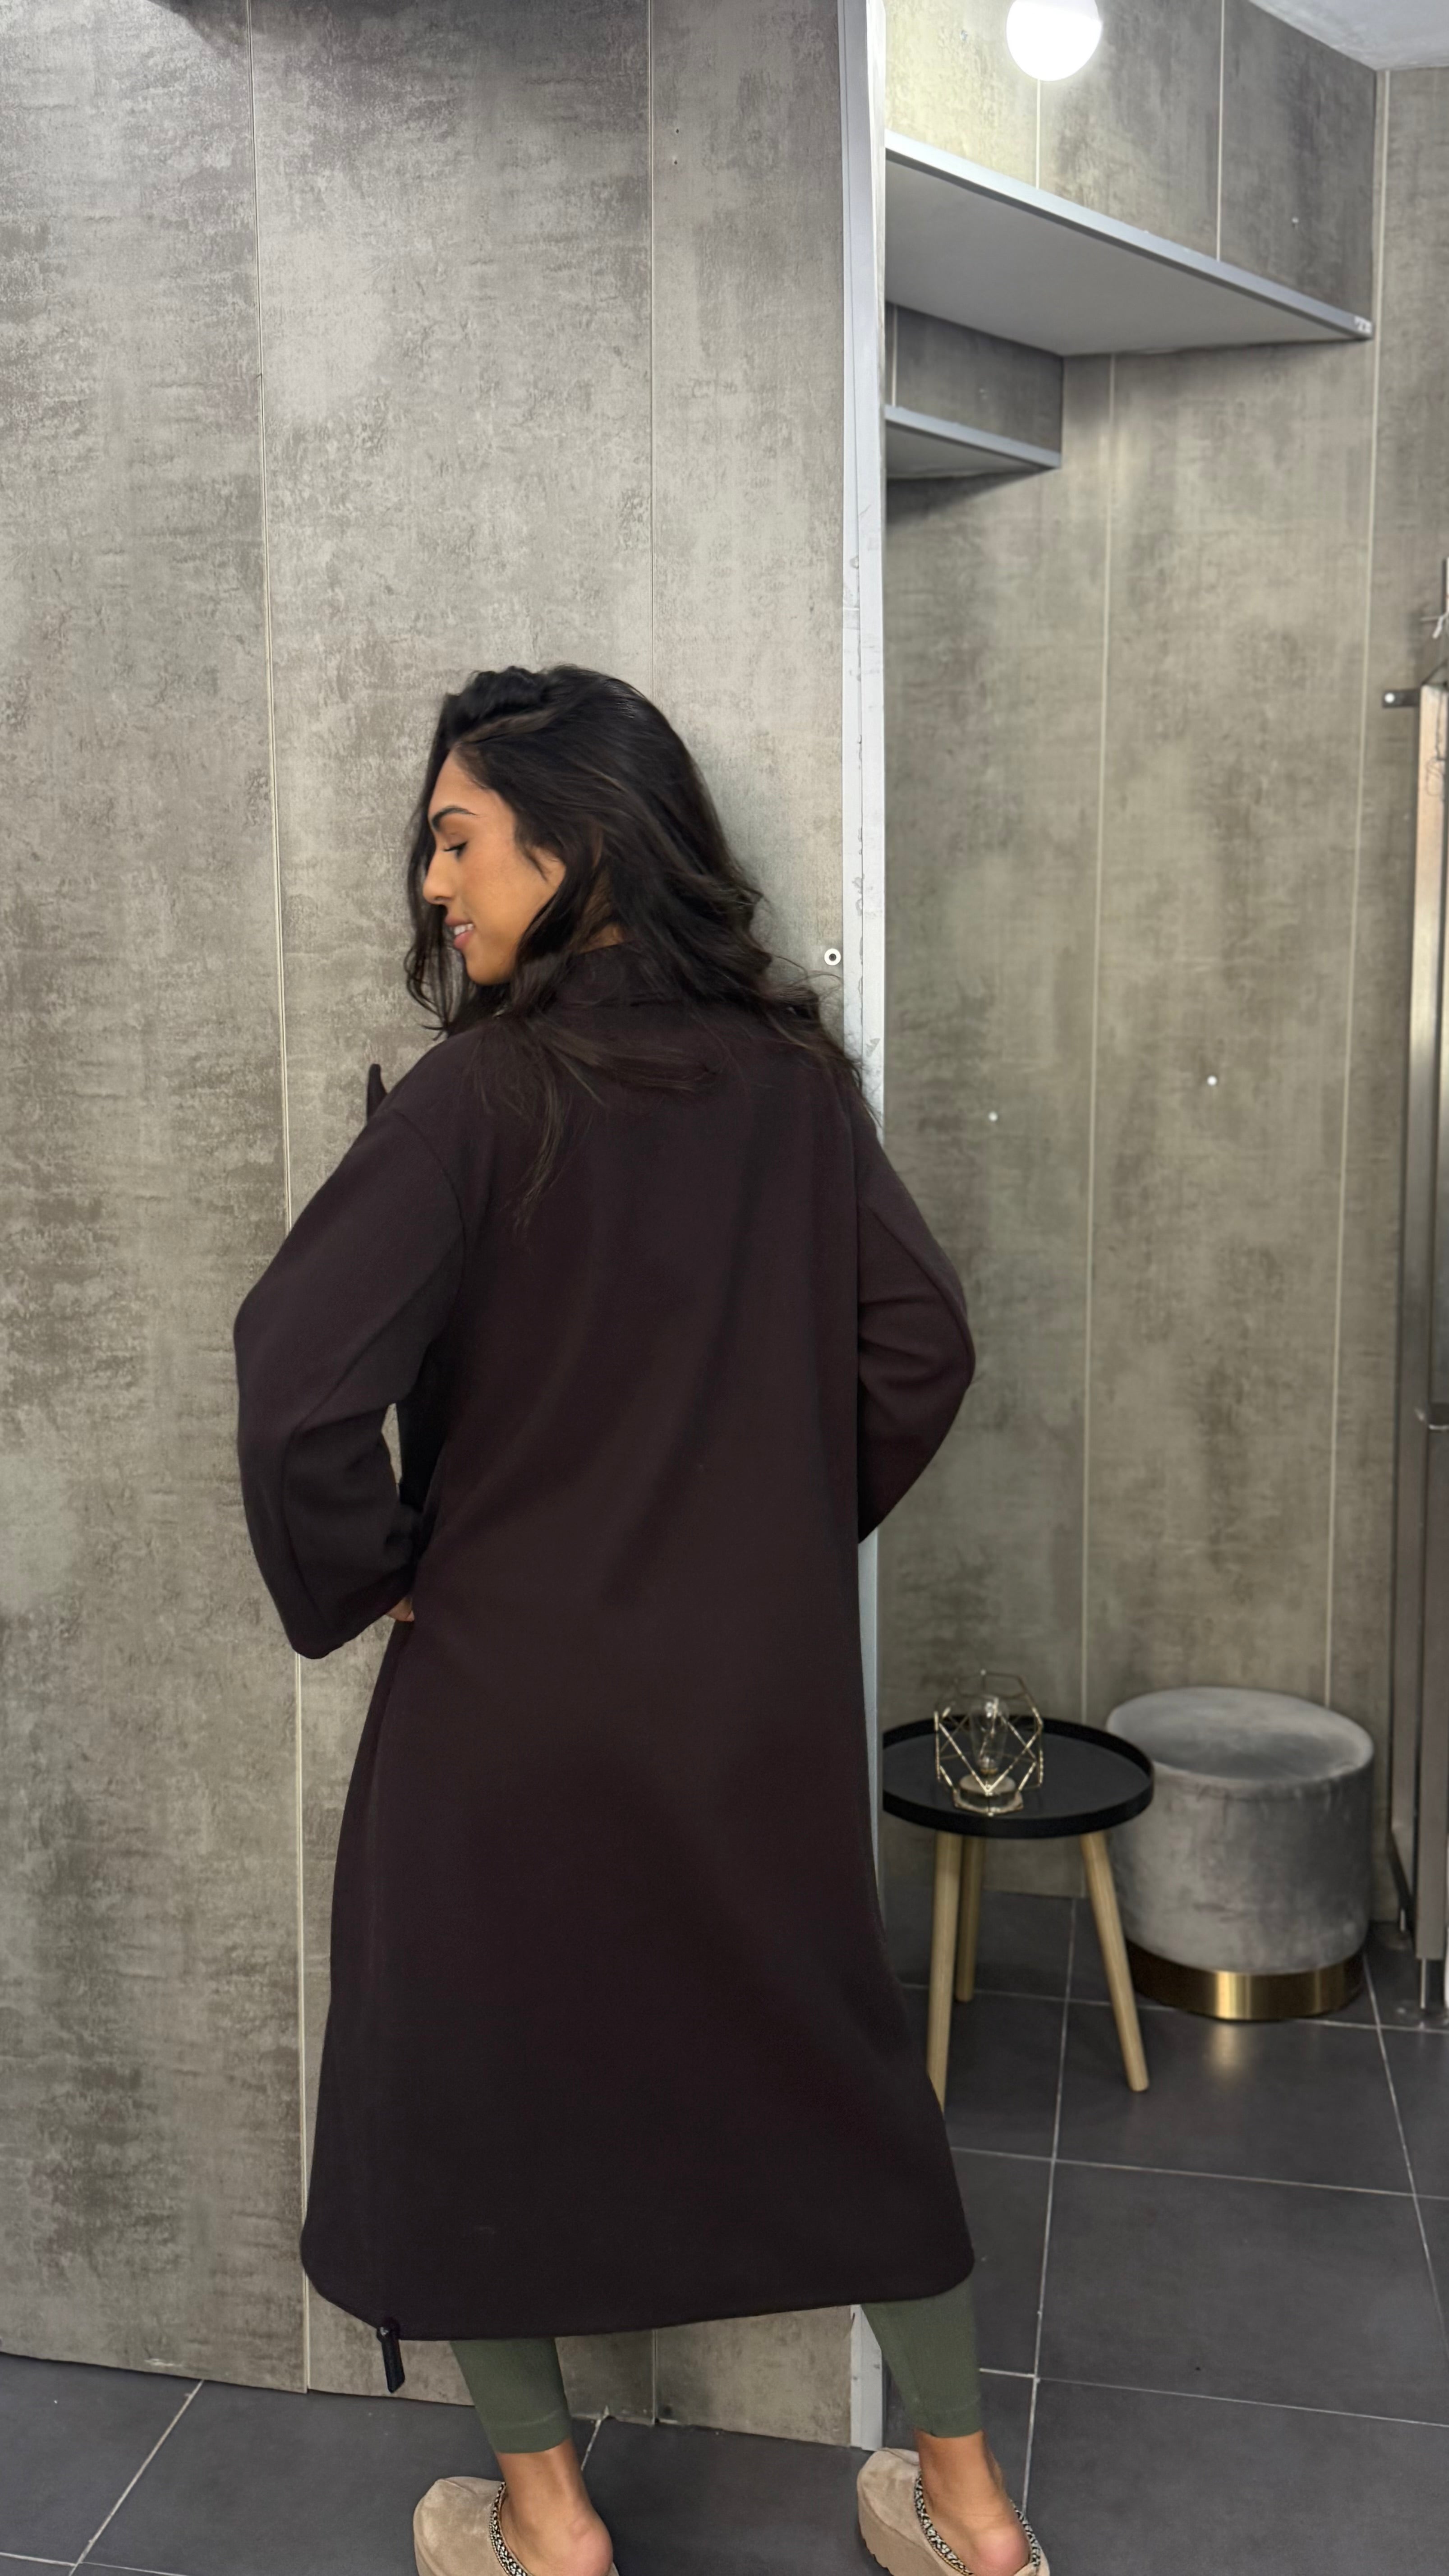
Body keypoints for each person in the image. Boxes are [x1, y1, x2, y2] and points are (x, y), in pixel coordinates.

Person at [233, 665, 1048, 2576]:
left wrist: (374, 1572)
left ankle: (550, 2526)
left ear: (571, 843)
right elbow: (920, 1347)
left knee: (464, 2086)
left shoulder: (480, 1099)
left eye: (457, 839)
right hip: (746, 1708)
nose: (432, 883)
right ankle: (974, 2515)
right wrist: (755, 1544)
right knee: (838, 2070)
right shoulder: (794, 1086)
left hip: (504, 1712)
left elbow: (292, 1384)